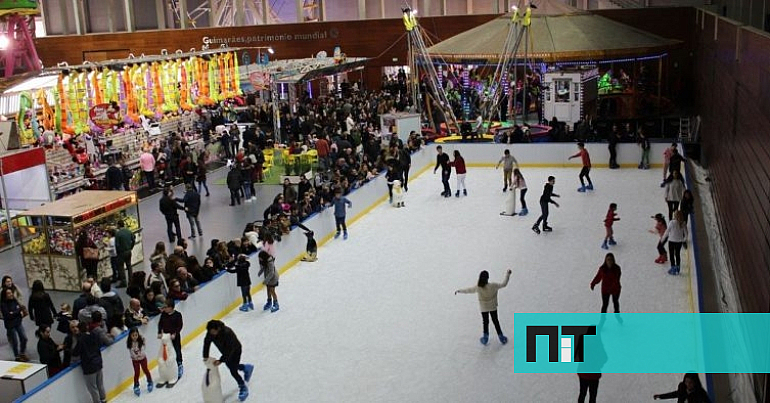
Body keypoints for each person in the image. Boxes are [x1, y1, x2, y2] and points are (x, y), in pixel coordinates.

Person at [455, 269, 512, 345]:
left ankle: (485, 338)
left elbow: (469, 290)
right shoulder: (493, 286)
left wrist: (459, 291)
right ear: (488, 278)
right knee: (495, 321)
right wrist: (508, 274)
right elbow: (504, 284)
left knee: (485, 322)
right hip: (493, 307)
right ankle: (501, 337)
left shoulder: (478, 287)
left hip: (484, 308)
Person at [202, 320, 255, 402]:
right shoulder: (210, 333)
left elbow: (230, 349)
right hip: (225, 351)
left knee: (233, 370)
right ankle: (245, 368)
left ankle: (243, 387)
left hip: (235, 350)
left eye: (213, 331)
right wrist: (205, 356)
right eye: (210, 332)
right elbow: (207, 343)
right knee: (231, 366)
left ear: (218, 329)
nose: (211, 334)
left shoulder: (227, 333)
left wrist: (221, 360)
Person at [72, 320, 112, 403]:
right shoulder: (93, 335)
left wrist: (69, 350)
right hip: (98, 363)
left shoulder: (81, 340)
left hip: (89, 367)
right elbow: (99, 344)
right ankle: (103, 399)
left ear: (79, 329)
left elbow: (75, 352)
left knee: (93, 388)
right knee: (100, 384)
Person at [157, 298, 184, 379]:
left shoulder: (177, 315)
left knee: (177, 350)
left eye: (166, 307)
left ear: (171, 307)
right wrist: (159, 332)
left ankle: (180, 364)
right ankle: (169, 368)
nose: (164, 308)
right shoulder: (163, 315)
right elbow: (160, 324)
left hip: (175, 336)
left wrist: (175, 333)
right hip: (166, 337)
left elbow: (179, 326)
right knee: (167, 352)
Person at [2, 287, 29, 361]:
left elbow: (18, 310)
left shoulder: (14, 301)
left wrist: (14, 312)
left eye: (11, 293)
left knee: (24, 338)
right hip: (10, 325)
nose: (11, 294)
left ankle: (22, 353)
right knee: (15, 342)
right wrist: (17, 311)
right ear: (5, 295)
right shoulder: (3, 304)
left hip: (18, 322)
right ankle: (17, 356)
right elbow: (8, 315)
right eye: (8, 293)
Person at [127, 327, 153, 396]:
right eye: (133, 335)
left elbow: (143, 349)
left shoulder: (142, 340)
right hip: (135, 360)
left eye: (136, 335)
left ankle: (150, 381)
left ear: (138, 334)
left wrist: (139, 355)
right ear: (130, 336)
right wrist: (135, 356)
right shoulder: (130, 343)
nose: (135, 337)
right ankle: (136, 385)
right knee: (137, 372)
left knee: (145, 370)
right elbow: (131, 351)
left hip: (143, 358)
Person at [662, 210, 688, 275]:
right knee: (677, 254)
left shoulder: (672, 222)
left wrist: (663, 239)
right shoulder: (683, 223)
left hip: (671, 241)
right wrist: (684, 239)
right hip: (679, 241)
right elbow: (686, 233)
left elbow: (667, 232)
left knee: (671, 254)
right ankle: (678, 267)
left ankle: (673, 268)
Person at [115, 220, 135, 287]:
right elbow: (133, 240)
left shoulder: (118, 234)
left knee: (121, 267)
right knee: (129, 266)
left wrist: (118, 252)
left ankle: (123, 282)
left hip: (121, 253)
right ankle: (131, 281)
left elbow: (117, 245)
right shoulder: (128, 231)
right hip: (128, 251)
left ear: (118, 225)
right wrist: (131, 247)